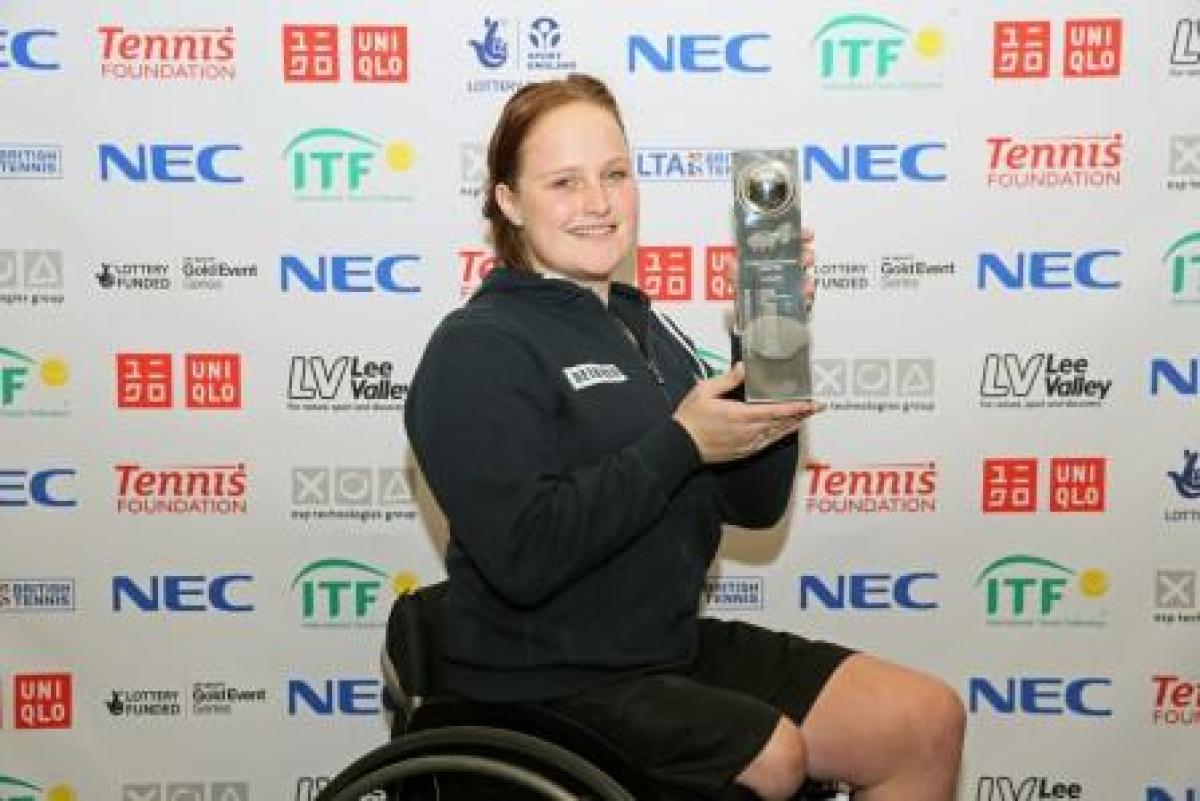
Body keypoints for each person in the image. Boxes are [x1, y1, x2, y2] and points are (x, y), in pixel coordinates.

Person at [404, 73, 965, 801]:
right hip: (540, 683)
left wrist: (764, 344)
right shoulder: (478, 344)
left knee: (922, 721)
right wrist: (680, 441)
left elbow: (756, 503)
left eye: (614, 174)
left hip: (662, 653)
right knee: (774, 754)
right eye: (564, 182)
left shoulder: (646, 329)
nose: (598, 202)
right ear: (509, 201)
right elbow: (525, 555)